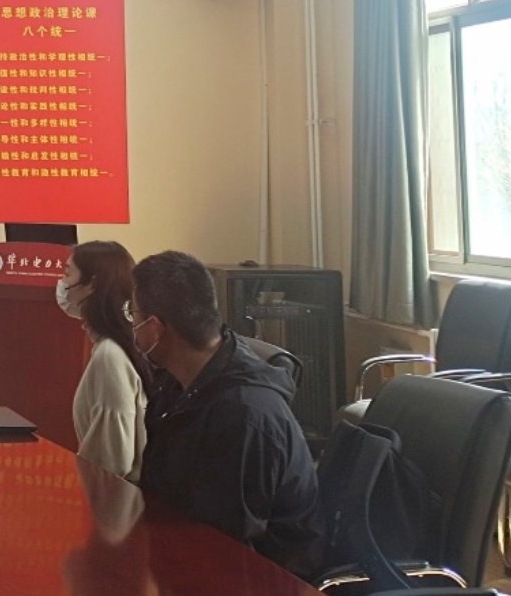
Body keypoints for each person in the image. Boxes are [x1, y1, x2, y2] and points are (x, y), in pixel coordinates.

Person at [131, 250, 321, 572]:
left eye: (133, 314)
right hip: (186, 551)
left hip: (266, 582)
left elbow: (226, 545)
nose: (132, 325)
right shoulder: (179, 381)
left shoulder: (243, 415)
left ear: (155, 328)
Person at [56, 240, 147, 479]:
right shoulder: (121, 342)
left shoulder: (110, 355)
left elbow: (112, 461)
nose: (62, 284)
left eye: (67, 274)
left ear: (92, 284)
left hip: (113, 494)